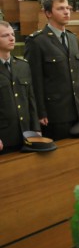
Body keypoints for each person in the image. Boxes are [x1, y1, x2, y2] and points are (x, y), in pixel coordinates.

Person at [24, 0, 79, 140]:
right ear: (48, 13)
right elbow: (34, 80)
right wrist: (40, 112)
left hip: (75, 109)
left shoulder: (72, 38)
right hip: (54, 113)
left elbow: (77, 74)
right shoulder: (37, 41)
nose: (66, 12)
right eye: (60, 9)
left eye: (67, 8)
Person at [0, 20, 39, 152]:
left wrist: (36, 128)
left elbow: (31, 99)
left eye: (12, 34)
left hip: (26, 134)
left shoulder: (23, 66)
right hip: (4, 137)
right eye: (5, 35)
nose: (12, 38)